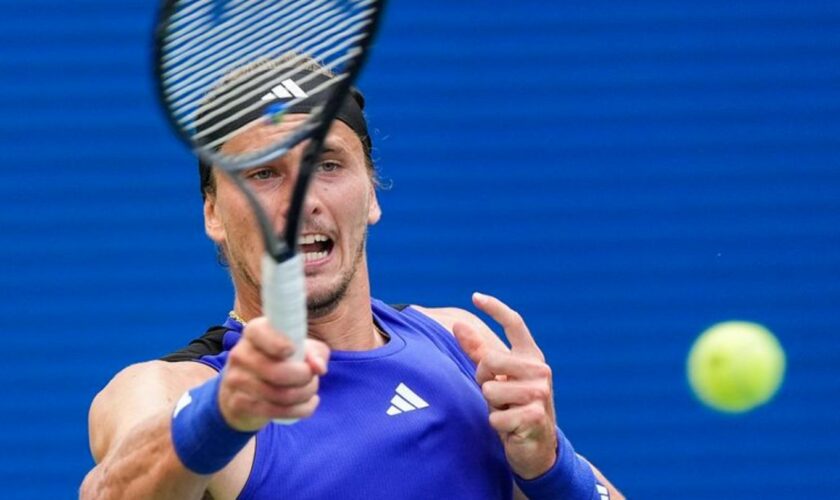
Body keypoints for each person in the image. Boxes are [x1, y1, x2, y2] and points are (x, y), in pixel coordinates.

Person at [80, 59, 624, 499]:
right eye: (264, 174)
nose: (302, 203)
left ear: (372, 195)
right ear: (214, 214)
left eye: (329, 166)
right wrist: (220, 415)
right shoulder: (170, 389)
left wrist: (552, 470)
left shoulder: (460, 344)